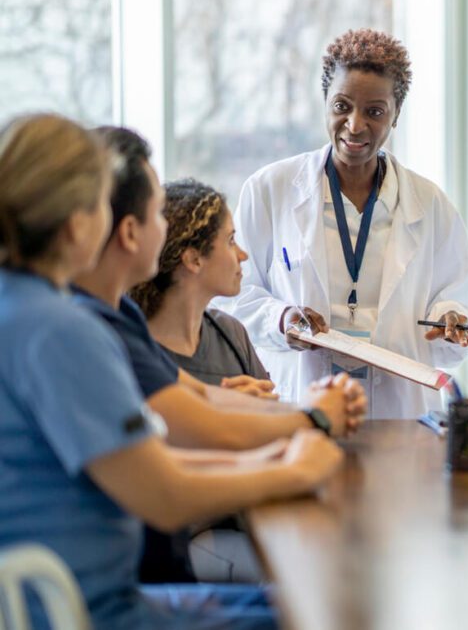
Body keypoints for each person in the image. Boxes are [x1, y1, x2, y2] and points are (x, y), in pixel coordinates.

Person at [0, 112, 344, 629]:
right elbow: (163, 495)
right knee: (321, 613)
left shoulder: (25, 307)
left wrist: (273, 457)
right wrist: (294, 468)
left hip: (81, 597)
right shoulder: (60, 330)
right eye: (102, 204)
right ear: (77, 224)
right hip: (91, 612)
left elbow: (151, 461)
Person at [74, 126, 365, 583]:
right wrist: (309, 427)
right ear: (130, 231)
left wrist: (287, 436)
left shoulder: (114, 320)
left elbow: (199, 406)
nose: (166, 228)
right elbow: (174, 464)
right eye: (158, 215)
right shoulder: (81, 328)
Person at [220, 28, 468, 417]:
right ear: (325, 104)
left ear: (396, 116)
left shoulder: (431, 205)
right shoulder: (269, 190)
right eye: (342, 106)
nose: (355, 125)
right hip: (301, 398)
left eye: (375, 111)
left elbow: (452, 301)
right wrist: (280, 319)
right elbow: (232, 296)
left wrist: (452, 320)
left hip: (399, 411)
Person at [131, 178, 273, 396]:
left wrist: (260, 407)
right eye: (231, 240)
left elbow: (274, 416)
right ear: (194, 260)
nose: (243, 255)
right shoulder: (133, 350)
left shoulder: (231, 333)